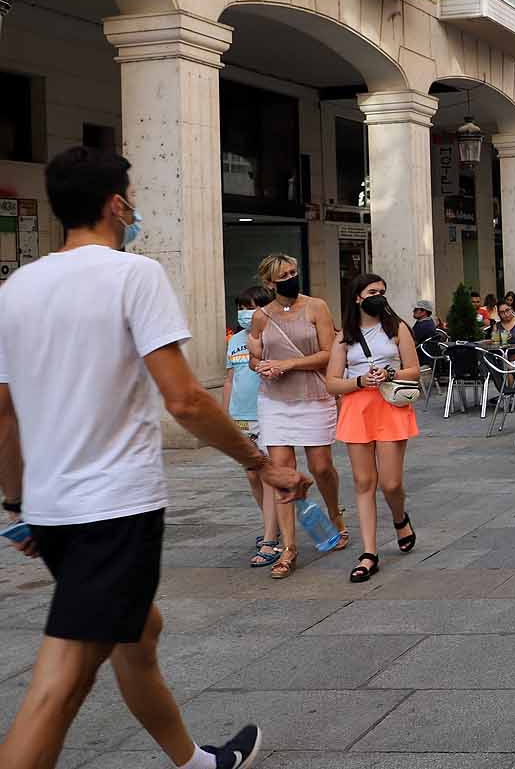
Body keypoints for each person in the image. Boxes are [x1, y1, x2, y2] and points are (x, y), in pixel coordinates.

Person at [0, 146, 312, 769]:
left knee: (140, 636)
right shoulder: (132, 275)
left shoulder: (17, 287)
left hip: (58, 512)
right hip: (113, 511)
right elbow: (187, 399)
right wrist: (261, 462)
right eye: (132, 197)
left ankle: (195, 763)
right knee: (61, 683)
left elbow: (3, 413)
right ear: (116, 204)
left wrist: (18, 504)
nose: (135, 208)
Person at [249, 253, 346, 578]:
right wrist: (261, 365)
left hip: (314, 397)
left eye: (293, 272)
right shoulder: (261, 316)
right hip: (275, 401)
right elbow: (254, 356)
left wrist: (288, 364)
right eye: (284, 275)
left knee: (320, 466)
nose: (291, 278)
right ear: (269, 283)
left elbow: (327, 353)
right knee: (283, 473)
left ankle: (334, 514)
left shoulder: (316, 306)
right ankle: (289, 548)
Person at [324, 274, 421, 583]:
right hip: (357, 408)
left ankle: (399, 517)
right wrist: (359, 381)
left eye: (382, 291)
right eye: (372, 292)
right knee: (364, 482)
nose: (379, 296)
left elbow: (415, 370)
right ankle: (369, 553)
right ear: (357, 298)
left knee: (390, 484)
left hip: (390, 406)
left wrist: (390, 371)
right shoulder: (344, 337)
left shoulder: (397, 328)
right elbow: (331, 381)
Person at [224, 285, 282, 568]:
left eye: (252, 307)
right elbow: (229, 378)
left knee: (269, 475)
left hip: (266, 414)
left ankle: (272, 537)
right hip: (240, 418)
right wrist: (226, 417)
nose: (246, 313)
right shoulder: (234, 339)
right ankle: (272, 523)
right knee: (252, 477)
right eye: (242, 306)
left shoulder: (272, 337)